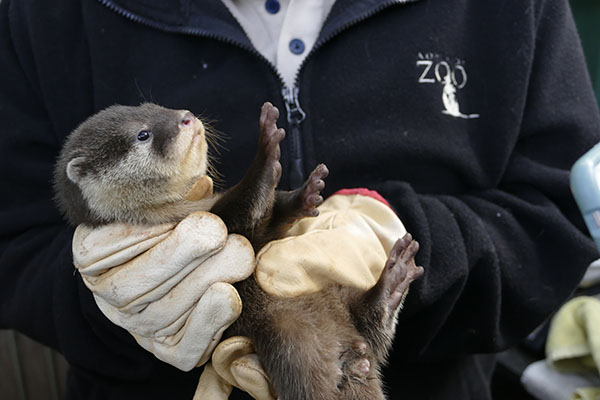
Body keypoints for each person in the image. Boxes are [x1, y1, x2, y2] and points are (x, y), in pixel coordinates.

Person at [1, 0, 599, 399]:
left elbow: (557, 217)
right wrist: (113, 306)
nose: (185, 119)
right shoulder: (39, 18)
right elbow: (16, 243)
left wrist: (409, 242)